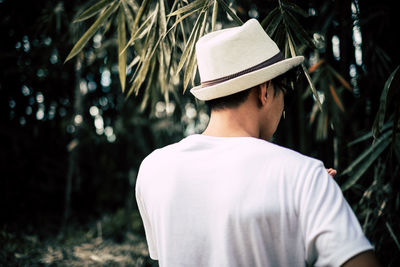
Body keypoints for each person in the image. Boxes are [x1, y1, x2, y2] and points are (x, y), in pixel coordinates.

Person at [135, 19, 380, 267]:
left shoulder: (153, 169)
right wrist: (308, 198)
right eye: (284, 90)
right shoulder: (303, 176)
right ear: (264, 90)